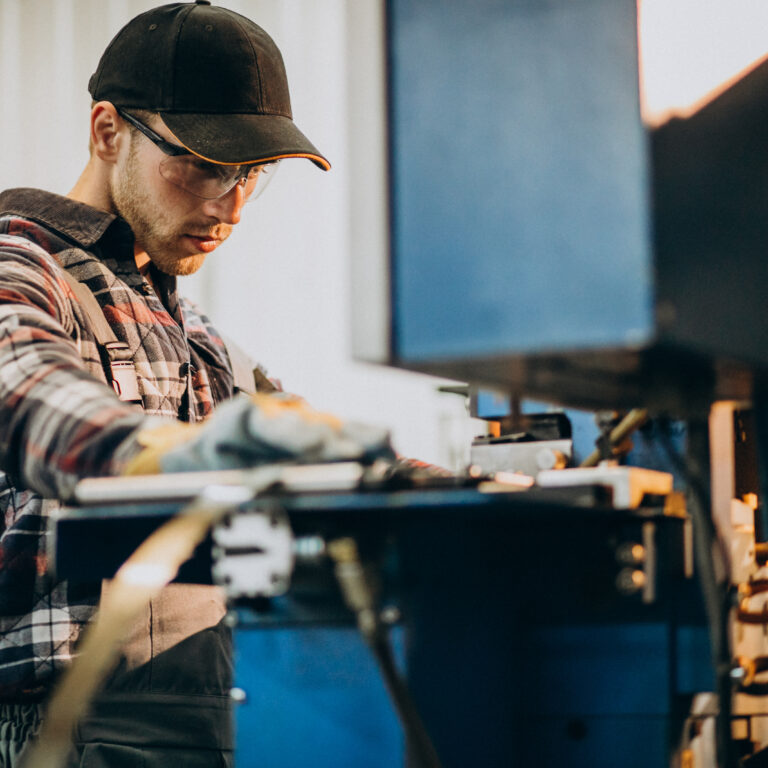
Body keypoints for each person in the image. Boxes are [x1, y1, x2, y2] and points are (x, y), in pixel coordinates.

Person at [0, 2, 391, 765]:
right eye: (204, 166)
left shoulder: (197, 336)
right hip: (67, 727)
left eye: (251, 176)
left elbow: (312, 462)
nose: (231, 205)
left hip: (207, 720)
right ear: (107, 131)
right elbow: (25, 389)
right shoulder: (23, 266)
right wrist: (170, 458)